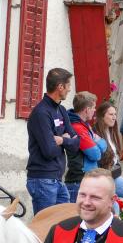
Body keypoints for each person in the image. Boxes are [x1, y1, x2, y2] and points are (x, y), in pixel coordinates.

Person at [19, 68, 78, 214]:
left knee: (62, 224)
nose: (70, 89)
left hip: (57, 179)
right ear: (60, 87)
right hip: (42, 180)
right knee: (44, 228)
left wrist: (62, 141)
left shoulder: (62, 110)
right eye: (68, 85)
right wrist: (66, 139)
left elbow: (76, 144)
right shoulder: (41, 113)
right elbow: (49, 151)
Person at [66, 91, 105, 202]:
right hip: (78, 180)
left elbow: (103, 143)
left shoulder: (85, 125)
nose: (95, 110)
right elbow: (96, 154)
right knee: (77, 217)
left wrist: (98, 142)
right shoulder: (78, 127)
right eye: (93, 107)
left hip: (84, 179)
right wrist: (97, 141)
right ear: (86, 109)